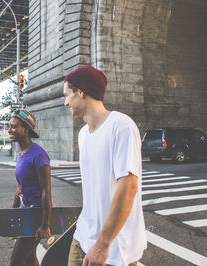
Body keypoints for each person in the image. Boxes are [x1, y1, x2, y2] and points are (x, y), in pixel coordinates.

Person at [63, 65, 147, 266]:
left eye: (67, 95)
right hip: (82, 237)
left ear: (81, 92)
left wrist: (102, 245)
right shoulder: (83, 135)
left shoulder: (121, 126)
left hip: (113, 248)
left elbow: (128, 188)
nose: (65, 102)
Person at [8, 109, 52, 266]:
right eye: (9, 126)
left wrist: (45, 224)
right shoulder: (21, 154)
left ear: (26, 129)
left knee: (16, 262)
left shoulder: (38, 154)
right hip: (26, 213)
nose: (9, 130)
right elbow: (20, 187)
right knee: (29, 259)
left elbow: (46, 191)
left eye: (13, 127)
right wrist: (12, 213)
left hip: (36, 216)